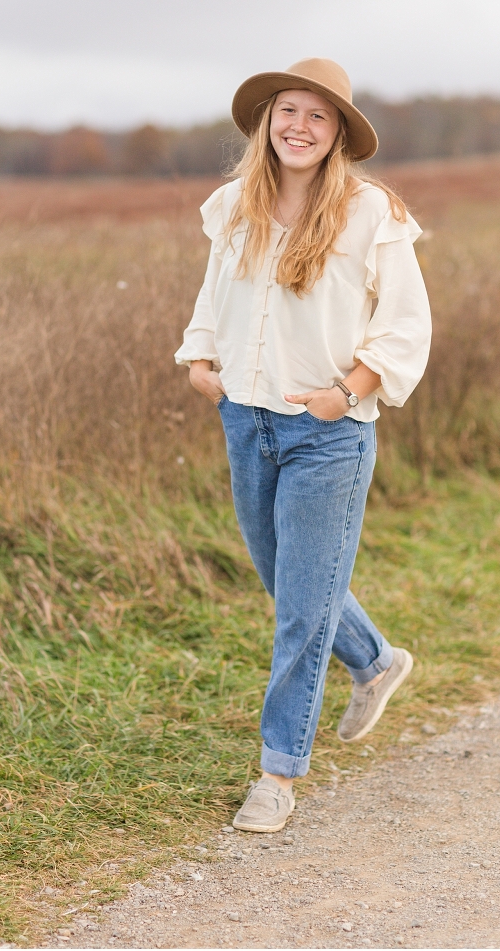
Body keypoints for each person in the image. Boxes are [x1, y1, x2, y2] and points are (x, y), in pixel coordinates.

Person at [175, 58, 431, 833]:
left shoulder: (369, 214)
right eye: (288, 110)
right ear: (267, 120)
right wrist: (199, 358)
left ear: (338, 134)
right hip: (245, 421)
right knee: (287, 581)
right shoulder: (234, 207)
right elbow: (216, 293)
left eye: (318, 116)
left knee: (298, 613)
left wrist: (346, 392)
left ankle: (277, 774)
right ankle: (378, 658)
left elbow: (406, 325)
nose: (298, 126)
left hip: (328, 432)